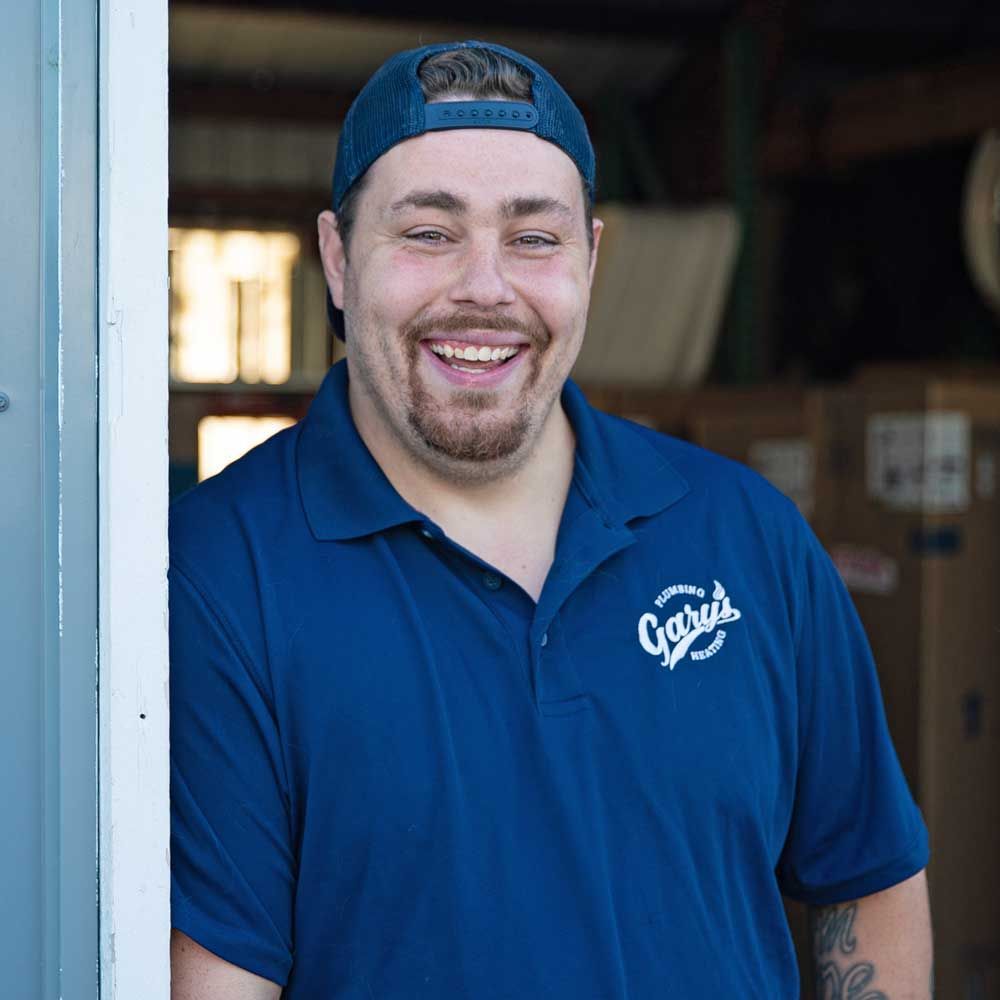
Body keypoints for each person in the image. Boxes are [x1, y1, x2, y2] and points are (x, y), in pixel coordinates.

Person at [169, 40, 932, 1000]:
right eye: (429, 232)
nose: (486, 287)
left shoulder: (746, 536)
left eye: (534, 237)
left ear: (591, 257)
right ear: (336, 255)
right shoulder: (215, 574)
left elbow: (871, 875)